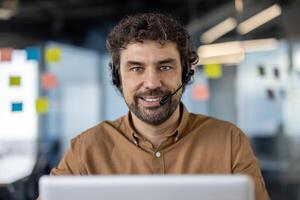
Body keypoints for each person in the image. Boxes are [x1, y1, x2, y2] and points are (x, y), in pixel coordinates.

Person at [45, 13, 269, 200]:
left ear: (185, 73)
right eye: (136, 68)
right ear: (118, 77)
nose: (152, 83)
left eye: (164, 67)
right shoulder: (86, 149)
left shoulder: (229, 141)